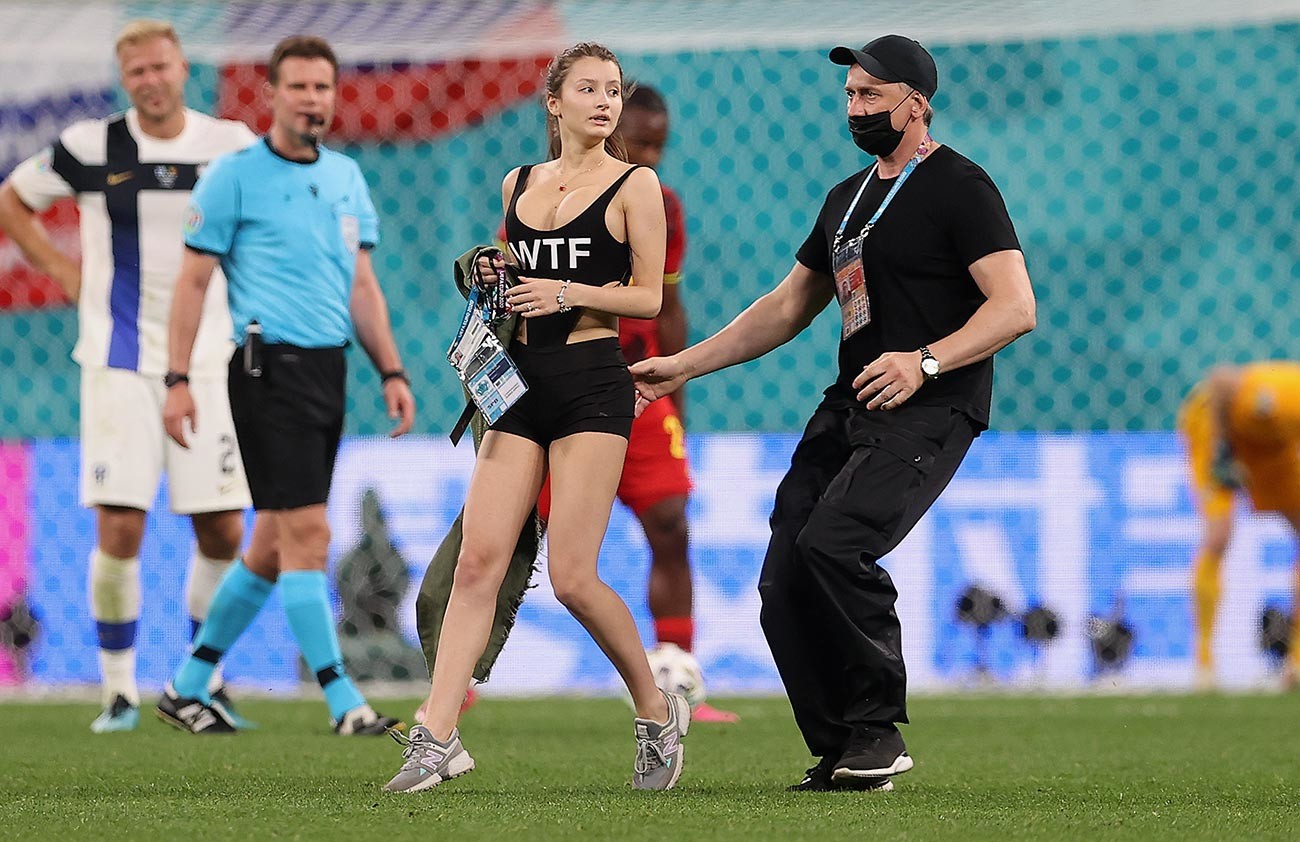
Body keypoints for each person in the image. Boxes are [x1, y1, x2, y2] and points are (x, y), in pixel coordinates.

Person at [631, 35, 1035, 792]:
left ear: (916, 104)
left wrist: (926, 361)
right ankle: (845, 746)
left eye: (871, 96)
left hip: (931, 405)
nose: (854, 108)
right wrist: (681, 364)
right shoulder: (845, 199)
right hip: (851, 403)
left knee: (836, 546)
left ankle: (878, 729)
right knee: (783, 577)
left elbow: (1015, 307)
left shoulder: (960, 186)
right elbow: (787, 307)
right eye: (849, 95)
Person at [385, 42, 688, 794]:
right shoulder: (518, 181)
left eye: (612, 90)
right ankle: (437, 735)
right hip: (518, 384)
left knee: (575, 577)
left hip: (592, 384)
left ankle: (656, 709)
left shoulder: (635, 185)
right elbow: (514, 277)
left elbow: (648, 297)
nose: (603, 102)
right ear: (553, 103)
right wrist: (495, 274)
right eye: (586, 89)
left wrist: (561, 293)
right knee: (479, 563)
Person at [154, 35, 415, 736]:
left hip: (329, 368)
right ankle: (343, 702)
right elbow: (193, 283)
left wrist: (390, 368)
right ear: (271, 95)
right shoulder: (233, 177)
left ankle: (184, 686)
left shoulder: (346, 179)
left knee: (273, 543)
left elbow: (363, 285)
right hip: (268, 368)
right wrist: (177, 380)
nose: (311, 99)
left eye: (322, 87)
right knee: (309, 533)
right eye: (297, 87)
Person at [0, 19, 256, 733]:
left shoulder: (229, 144)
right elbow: (12, 199)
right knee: (119, 529)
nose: (150, 80)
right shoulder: (90, 146)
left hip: (208, 362)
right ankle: (118, 691)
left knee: (222, 531)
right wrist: (61, 272)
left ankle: (204, 680)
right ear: (125, 79)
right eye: (136, 71)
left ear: (183, 69)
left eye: (160, 67)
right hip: (117, 363)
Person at [530, 83, 736, 723]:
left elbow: (667, 305)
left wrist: (676, 389)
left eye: (658, 145)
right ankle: (464, 680)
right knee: (510, 539)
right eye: (638, 142)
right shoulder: (539, 193)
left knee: (671, 524)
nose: (648, 156)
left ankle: (676, 669)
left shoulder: (660, 206)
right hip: (558, 392)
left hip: (637, 391)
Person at [1179, 362, 1300, 690]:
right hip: (1217, 426)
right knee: (1220, 533)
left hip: (1269, 443)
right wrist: (1222, 448)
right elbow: (1219, 380)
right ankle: (1204, 664)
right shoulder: (1286, 394)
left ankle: (1297, 663)